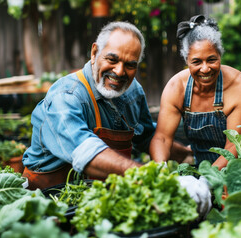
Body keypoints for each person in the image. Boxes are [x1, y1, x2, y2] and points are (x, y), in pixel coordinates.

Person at [21, 21, 192, 190]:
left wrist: (188, 155)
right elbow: (86, 154)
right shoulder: (67, 96)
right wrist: (152, 177)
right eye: (112, 59)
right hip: (49, 199)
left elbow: (148, 137)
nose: (119, 72)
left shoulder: (132, 92)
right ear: (94, 52)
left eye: (130, 65)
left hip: (99, 195)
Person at [150, 15, 241, 170]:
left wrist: (207, 179)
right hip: (200, 166)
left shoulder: (239, 86)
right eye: (196, 62)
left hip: (240, 170)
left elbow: (234, 148)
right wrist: (160, 168)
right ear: (186, 60)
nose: (205, 68)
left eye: (211, 60)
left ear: (220, 56)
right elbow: (162, 139)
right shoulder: (176, 87)